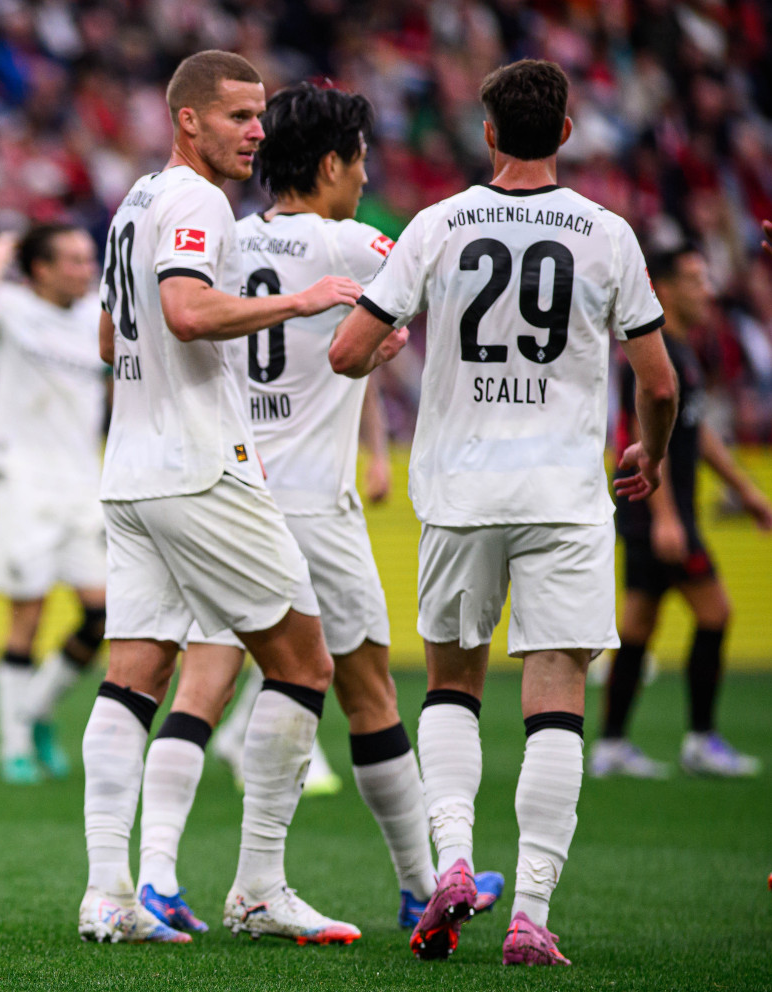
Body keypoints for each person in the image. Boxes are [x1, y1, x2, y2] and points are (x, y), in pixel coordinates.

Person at [130, 81, 505, 939]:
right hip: (314, 506)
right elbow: (465, 287)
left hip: (227, 490)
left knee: (206, 680)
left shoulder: (219, 238)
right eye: (361, 162)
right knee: (367, 692)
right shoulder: (360, 244)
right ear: (334, 163)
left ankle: (155, 877)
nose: (364, 178)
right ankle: (416, 886)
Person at [330, 59, 679, 966]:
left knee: (452, 685)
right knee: (556, 695)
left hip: (460, 491)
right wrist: (650, 449)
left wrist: (399, 339)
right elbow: (662, 384)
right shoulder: (607, 233)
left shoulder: (438, 224)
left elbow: (346, 351)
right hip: (563, 498)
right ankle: (529, 912)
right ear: (566, 132)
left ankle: (452, 862)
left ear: (487, 133)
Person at [83, 49, 369, 946]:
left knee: (136, 676)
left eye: (259, 116)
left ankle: (107, 896)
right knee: (305, 665)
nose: (256, 132)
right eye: (239, 116)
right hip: (200, 466)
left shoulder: (134, 201)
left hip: (130, 468)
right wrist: (302, 302)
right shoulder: (201, 201)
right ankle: (258, 889)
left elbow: (109, 336)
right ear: (189, 121)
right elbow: (187, 312)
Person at [593, 247, 772, 779]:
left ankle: (612, 746)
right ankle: (699, 739)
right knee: (715, 614)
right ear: (664, 289)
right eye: (694, 280)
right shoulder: (652, 358)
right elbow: (642, 440)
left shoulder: (682, 354)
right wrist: (667, 516)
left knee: (640, 625)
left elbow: (698, 435)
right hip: (657, 510)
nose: (707, 290)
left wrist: (748, 491)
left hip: (651, 511)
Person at [0, 224, 109, 785]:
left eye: (87, 257)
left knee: (101, 613)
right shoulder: (14, 307)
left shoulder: (100, 311)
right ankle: (15, 745)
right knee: (28, 614)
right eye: (71, 260)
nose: (83, 268)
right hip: (22, 479)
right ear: (41, 269)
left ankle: (37, 710)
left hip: (82, 483)